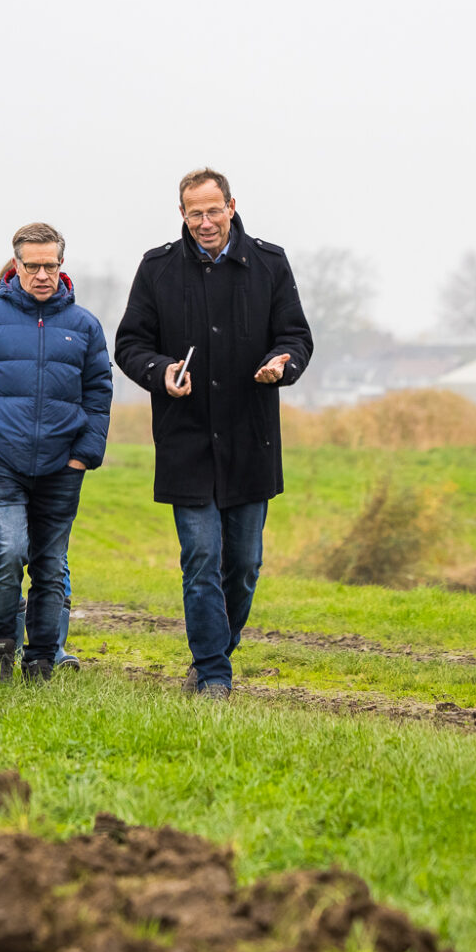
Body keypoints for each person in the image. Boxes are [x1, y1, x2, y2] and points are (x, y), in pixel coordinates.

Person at [114, 167, 312, 699]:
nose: (205, 221)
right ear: (181, 213)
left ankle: (215, 654)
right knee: (201, 558)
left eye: (213, 210)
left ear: (231, 206)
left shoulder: (269, 263)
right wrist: (162, 373)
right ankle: (214, 676)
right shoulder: (157, 269)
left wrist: (281, 363)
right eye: (194, 212)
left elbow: (296, 336)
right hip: (186, 442)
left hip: (251, 441)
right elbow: (130, 345)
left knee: (243, 566)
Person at [0, 224, 113, 684]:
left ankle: (40, 661)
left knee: (50, 566)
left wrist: (84, 454)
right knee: (9, 552)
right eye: (32, 266)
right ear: (15, 265)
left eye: (50, 265)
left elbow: (98, 395)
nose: (42, 274)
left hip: (63, 466)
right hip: (0, 461)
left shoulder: (85, 326)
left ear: (62, 265)